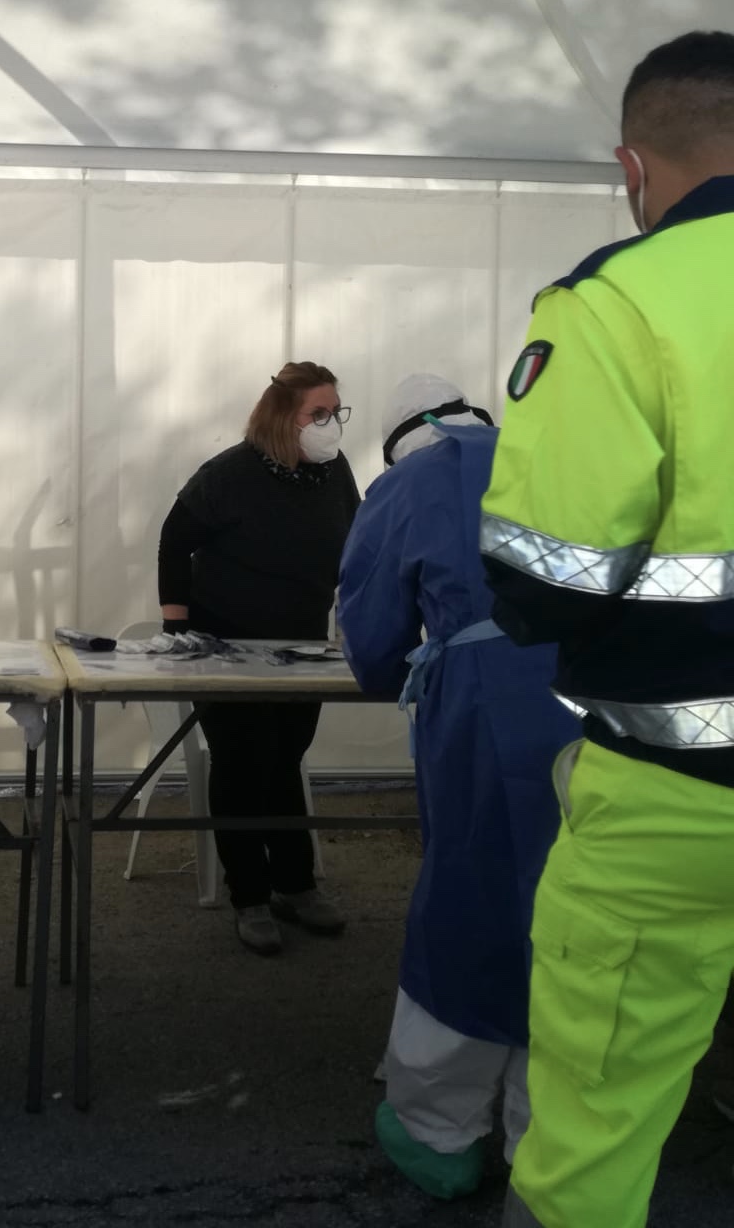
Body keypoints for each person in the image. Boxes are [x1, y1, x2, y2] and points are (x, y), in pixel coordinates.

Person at [479, 31, 734, 1228]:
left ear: (633, 168)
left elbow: (546, 582)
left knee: (595, 1132)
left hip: (677, 799)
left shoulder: (620, 302)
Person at [337, 374, 579, 1200]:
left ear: (399, 439)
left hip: (485, 716)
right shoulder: (554, 457)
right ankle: (546, 1137)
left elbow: (374, 645)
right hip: (598, 708)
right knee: (571, 911)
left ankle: (438, 1130)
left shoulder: (409, 484)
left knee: (472, 901)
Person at [157, 361, 360, 955]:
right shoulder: (230, 473)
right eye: (318, 413)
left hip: (303, 647)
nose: (330, 424)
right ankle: (249, 895)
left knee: (285, 757)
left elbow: (357, 542)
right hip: (228, 644)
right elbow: (174, 542)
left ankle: (295, 885)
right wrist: (177, 627)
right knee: (241, 762)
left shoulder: (333, 472)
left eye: (335, 412)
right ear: (282, 417)